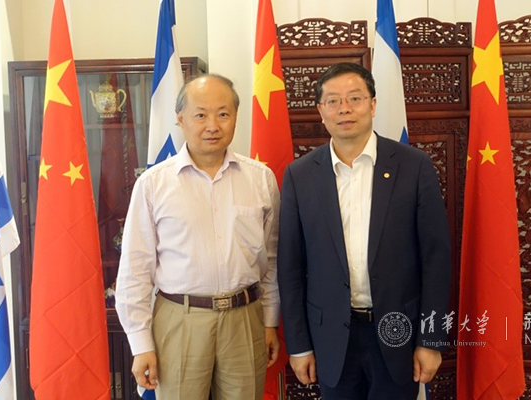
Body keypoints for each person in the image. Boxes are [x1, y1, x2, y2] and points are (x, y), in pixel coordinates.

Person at [278, 62, 451, 399]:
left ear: (372, 105)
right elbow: (290, 267)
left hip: (398, 333)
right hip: (330, 338)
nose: (344, 108)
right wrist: (298, 345)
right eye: (333, 101)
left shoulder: (414, 166)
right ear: (321, 111)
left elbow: (436, 261)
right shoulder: (300, 175)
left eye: (354, 98)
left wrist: (430, 340)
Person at [115, 74, 280, 400]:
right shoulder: (153, 184)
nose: (212, 125)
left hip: (245, 318)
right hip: (180, 320)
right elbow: (135, 268)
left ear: (235, 116)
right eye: (200, 114)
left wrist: (270, 321)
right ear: (180, 119)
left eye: (223, 114)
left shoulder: (261, 179)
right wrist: (140, 343)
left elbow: (271, 259)